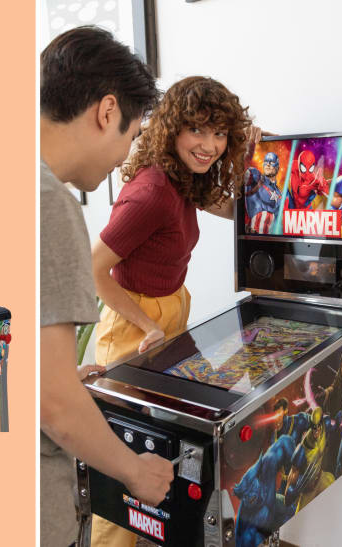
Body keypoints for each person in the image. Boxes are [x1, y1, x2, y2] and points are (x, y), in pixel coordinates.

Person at [89, 76, 257, 546]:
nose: (209, 146)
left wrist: (251, 160)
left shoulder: (184, 179)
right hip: (131, 326)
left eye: (221, 134)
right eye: (199, 131)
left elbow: (231, 209)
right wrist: (146, 324)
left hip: (166, 316)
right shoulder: (151, 192)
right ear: (173, 130)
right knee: (118, 466)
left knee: (158, 452)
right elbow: (94, 269)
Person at [39, 26, 174, 547]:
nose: (126, 156)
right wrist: (135, 471)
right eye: (133, 134)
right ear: (106, 111)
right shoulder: (51, 204)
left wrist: (63, 370)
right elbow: (54, 403)